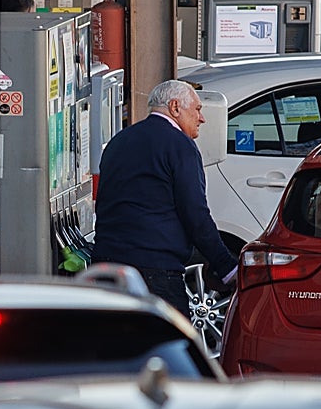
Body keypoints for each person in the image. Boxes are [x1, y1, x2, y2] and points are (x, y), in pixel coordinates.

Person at [92, 80, 237, 317]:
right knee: (170, 339)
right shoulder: (180, 146)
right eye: (197, 109)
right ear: (175, 107)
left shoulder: (119, 141)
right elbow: (195, 214)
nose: (202, 118)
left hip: (107, 267)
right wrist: (227, 267)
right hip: (154, 271)